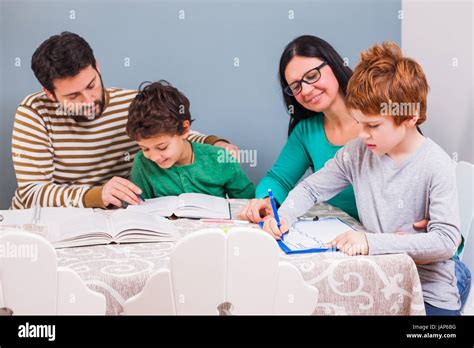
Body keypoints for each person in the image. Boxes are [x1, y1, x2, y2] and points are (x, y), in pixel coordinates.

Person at [262, 41, 469, 315]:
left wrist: (372, 241)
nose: (362, 134)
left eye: (372, 126)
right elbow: (311, 189)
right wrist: (284, 215)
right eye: (359, 123)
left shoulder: (435, 165)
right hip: (378, 280)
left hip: (426, 293)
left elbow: (445, 241)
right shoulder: (359, 152)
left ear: (410, 117)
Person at [11, 32, 237, 209]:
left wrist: (214, 142)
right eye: (73, 96)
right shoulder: (34, 113)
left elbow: (172, 134)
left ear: (97, 67)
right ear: (49, 93)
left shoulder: (129, 103)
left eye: (91, 85)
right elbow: (32, 193)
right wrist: (96, 195)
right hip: (52, 222)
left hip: (116, 219)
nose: (88, 100)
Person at [127, 81, 255, 199]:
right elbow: (139, 208)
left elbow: (247, 201)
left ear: (184, 129)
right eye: (145, 148)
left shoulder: (220, 159)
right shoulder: (142, 164)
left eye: (162, 147)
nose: (155, 157)